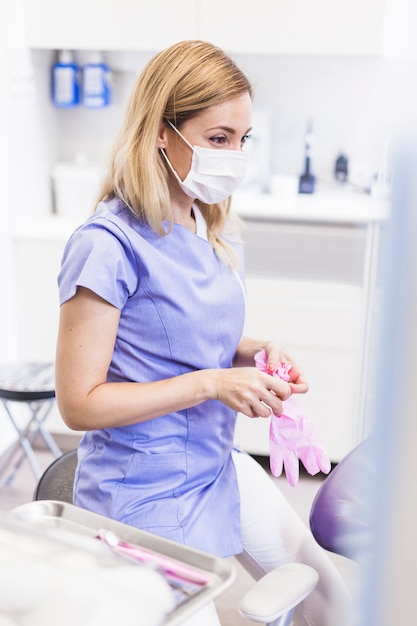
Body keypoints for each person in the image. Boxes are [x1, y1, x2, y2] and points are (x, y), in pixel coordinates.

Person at [56, 40, 351, 625]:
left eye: (243, 140)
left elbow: (178, 335)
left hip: (213, 460)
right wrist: (213, 383)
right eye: (218, 139)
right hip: (142, 487)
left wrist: (254, 351)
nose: (235, 156)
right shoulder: (106, 246)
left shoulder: (209, 222)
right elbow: (78, 404)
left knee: (333, 600)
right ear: (162, 132)